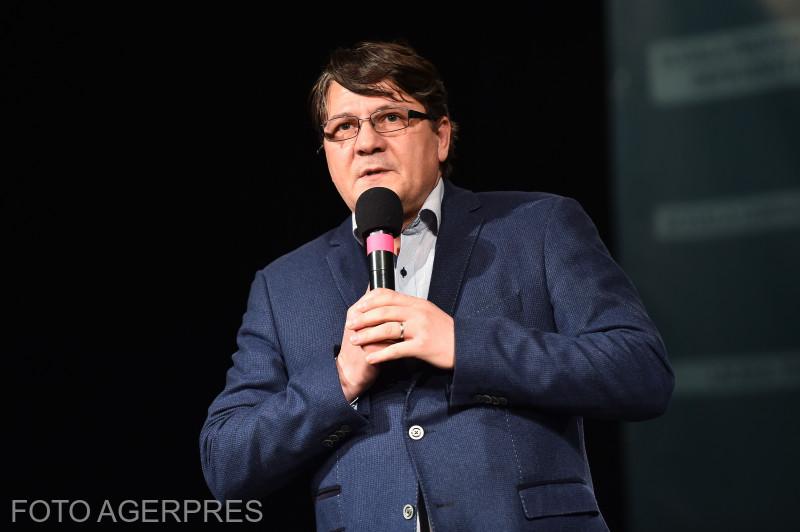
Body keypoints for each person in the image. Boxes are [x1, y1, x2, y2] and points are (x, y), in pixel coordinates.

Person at [200, 41, 674, 531]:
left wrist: (463, 345)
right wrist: (340, 380)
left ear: (441, 136)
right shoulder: (284, 285)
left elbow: (640, 371)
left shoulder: (538, 226)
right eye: (344, 128)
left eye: (390, 118)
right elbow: (226, 461)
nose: (366, 143)